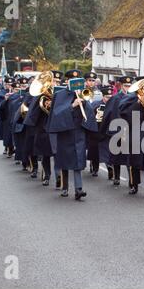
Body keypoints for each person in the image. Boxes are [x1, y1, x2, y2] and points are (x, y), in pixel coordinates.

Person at [46, 70, 98, 200]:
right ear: (67, 81)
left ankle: (78, 189)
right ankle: (65, 188)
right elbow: (56, 115)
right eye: (71, 80)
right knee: (64, 161)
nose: (74, 82)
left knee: (78, 161)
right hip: (65, 132)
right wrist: (72, 106)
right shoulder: (59, 95)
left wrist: (84, 103)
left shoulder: (83, 93)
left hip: (78, 131)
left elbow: (90, 114)